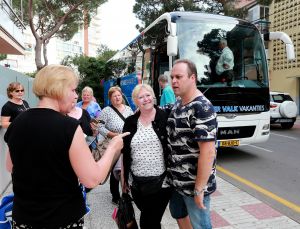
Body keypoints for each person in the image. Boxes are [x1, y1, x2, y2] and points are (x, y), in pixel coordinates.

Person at [4, 64, 128, 229]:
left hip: (23, 218)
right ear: (59, 89)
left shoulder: (18, 121)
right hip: (62, 218)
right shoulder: (68, 126)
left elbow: (10, 166)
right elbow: (92, 179)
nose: (76, 96)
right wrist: (113, 147)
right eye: (73, 90)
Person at [167, 59, 218, 229]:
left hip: (193, 185)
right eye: (172, 77)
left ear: (192, 78)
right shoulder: (178, 104)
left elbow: (208, 153)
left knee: (201, 226)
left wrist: (199, 189)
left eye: (179, 77)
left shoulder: (202, 108)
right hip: (176, 181)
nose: (174, 81)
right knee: (178, 214)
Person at [122, 84, 171, 229]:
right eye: (141, 97)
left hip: (161, 183)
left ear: (153, 96)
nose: (145, 99)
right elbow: (125, 152)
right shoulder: (130, 122)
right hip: (136, 184)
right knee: (152, 220)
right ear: (135, 101)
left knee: (147, 223)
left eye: (148, 95)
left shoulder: (165, 117)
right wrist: (124, 180)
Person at [98, 86, 133, 205]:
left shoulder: (128, 109)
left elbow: (133, 123)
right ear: (110, 99)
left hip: (127, 142)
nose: (117, 98)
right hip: (113, 143)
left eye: (119, 95)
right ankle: (115, 195)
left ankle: (126, 193)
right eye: (114, 96)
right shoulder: (106, 111)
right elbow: (99, 126)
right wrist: (112, 134)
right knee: (115, 169)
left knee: (126, 167)